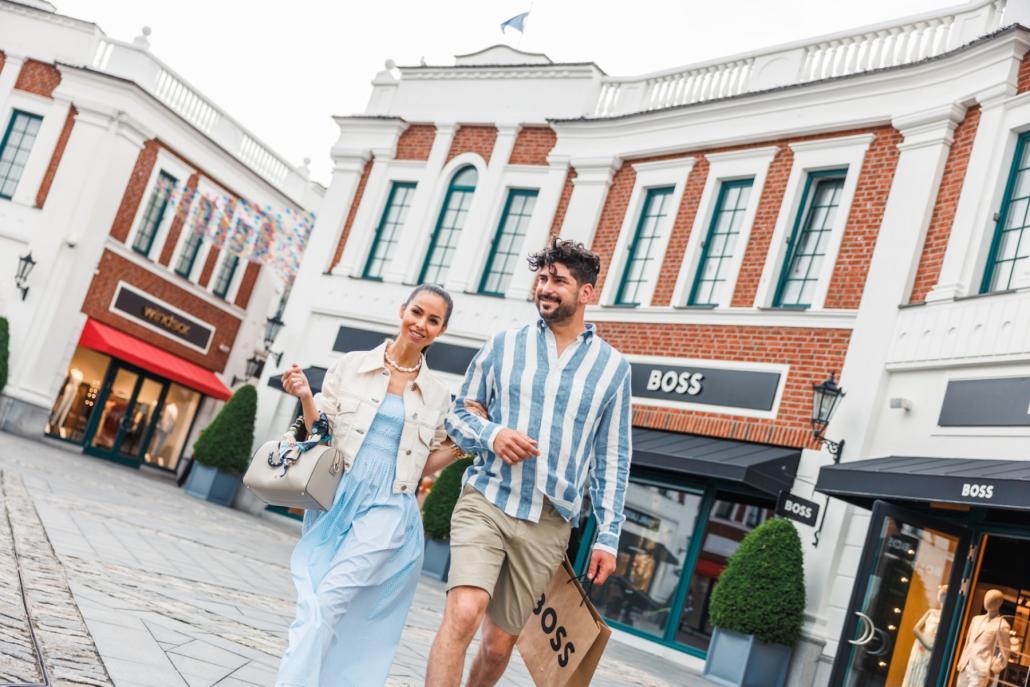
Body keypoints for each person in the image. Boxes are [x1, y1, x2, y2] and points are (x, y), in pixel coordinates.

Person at [427, 238, 633, 687]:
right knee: (463, 614)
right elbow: (460, 412)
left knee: (499, 646)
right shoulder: (505, 344)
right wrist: (493, 434)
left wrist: (609, 537)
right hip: (488, 499)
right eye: (541, 278)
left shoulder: (613, 368)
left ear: (586, 293)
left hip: (548, 522)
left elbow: (612, 458)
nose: (545, 287)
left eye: (558, 280)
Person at [275, 284, 467, 687]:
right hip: (336, 497)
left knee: (330, 598)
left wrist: (458, 446)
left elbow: (422, 469)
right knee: (315, 604)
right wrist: (306, 397)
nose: (421, 324)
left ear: (441, 330)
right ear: (402, 311)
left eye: (433, 320)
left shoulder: (436, 395)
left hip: (389, 506)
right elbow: (320, 433)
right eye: (417, 313)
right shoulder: (350, 365)